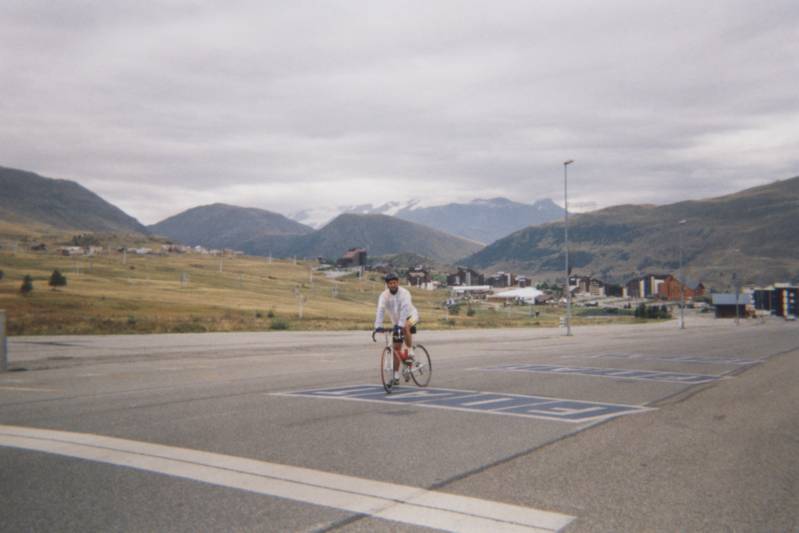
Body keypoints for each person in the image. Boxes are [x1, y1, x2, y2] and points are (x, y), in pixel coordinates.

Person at [374, 272, 419, 386]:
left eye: (395, 282)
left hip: (411, 316)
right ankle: (396, 376)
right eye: (390, 283)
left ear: (398, 283)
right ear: (387, 284)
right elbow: (380, 310)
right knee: (396, 349)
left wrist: (400, 325)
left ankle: (409, 350)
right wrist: (377, 326)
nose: (393, 285)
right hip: (396, 322)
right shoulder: (384, 296)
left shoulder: (404, 293)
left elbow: (404, 310)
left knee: (405, 325)